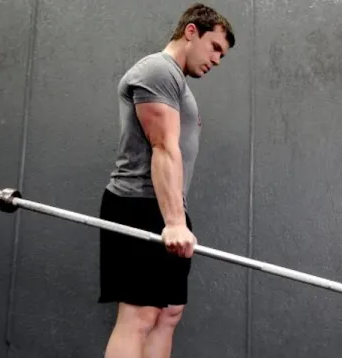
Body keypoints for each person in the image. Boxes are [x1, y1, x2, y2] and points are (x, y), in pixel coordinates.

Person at [97, 3, 235, 358]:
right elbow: (162, 146)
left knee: (168, 313)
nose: (217, 60)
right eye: (215, 47)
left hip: (168, 208)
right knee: (139, 315)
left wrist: (177, 218)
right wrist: (173, 222)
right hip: (139, 204)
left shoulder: (177, 81)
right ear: (191, 32)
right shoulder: (158, 71)